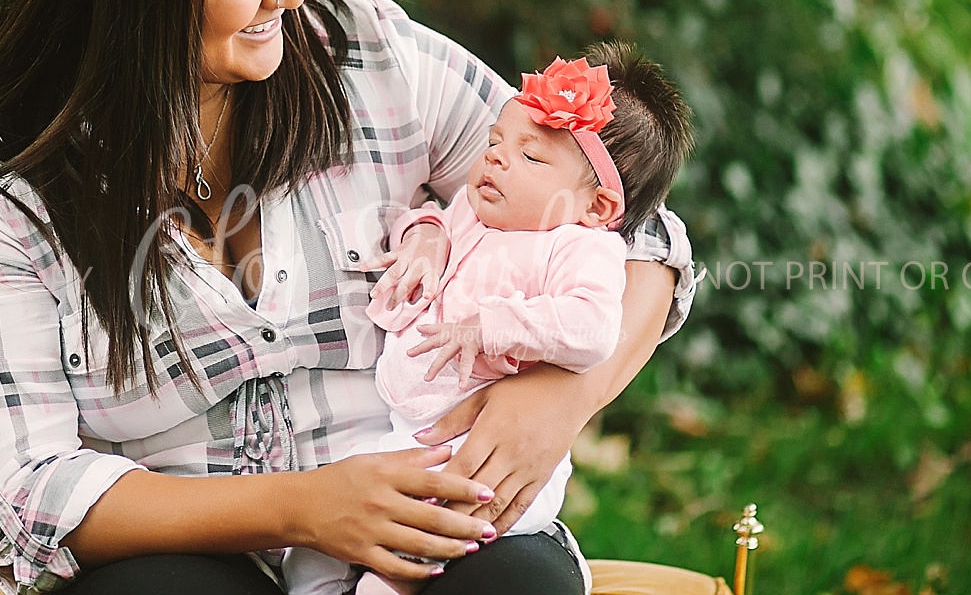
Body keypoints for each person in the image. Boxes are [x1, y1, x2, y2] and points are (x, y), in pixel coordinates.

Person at [0, 0, 698, 595]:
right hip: (188, 550)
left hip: (422, 505)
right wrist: (307, 508)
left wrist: (558, 401)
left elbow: (632, 231)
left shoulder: (366, 54)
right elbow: (30, 489)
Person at [282, 50, 693, 595]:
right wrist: (423, 240)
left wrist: (491, 326)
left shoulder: (579, 248)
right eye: (496, 142)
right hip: (410, 429)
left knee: (410, 546)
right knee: (316, 547)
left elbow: (592, 328)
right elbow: (434, 218)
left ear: (596, 207)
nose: (497, 160)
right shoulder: (481, 211)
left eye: (532, 157)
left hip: (488, 455)